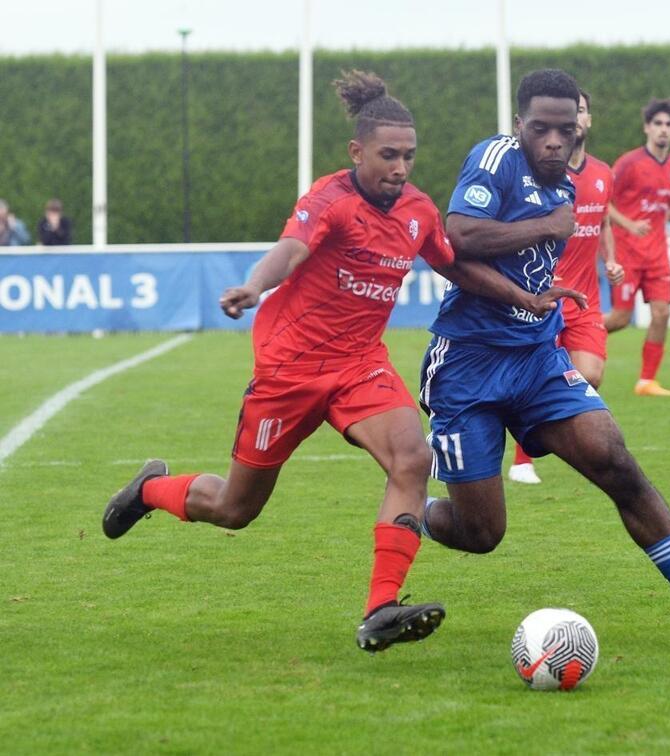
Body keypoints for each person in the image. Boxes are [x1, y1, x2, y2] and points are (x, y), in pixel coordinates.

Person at [101, 70, 583, 653]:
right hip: (290, 370)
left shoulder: (418, 210)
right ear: (357, 152)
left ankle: (381, 607)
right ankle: (152, 490)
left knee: (412, 456)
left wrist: (526, 298)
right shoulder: (328, 200)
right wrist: (255, 286)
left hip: (360, 367)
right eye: (387, 156)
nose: (400, 167)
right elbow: (291, 250)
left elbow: (456, 264)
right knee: (234, 508)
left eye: (408, 156)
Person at [420, 68, 670, 647]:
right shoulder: (496, 159)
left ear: (580, 124)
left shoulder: (569, 187)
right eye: (539, 129)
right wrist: (541, 237)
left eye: (564, 129)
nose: (553, 141)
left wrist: (538, 293)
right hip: (467, 366)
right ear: (518, 125)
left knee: (616, 461)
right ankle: (413, 509)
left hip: (535, 358)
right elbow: (458, 238)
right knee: (481, 532)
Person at [509, 88, 624, 485]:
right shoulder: (542, 174)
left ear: (587, 121)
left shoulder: (604, 173)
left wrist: (610, 258)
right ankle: (523, 461)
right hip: (546, 297)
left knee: (589, 374)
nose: (576, 118)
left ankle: (539, 437)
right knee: (542, 378)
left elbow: (604, 221)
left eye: (581, 111)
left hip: (587, 298)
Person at [603, 97, 670, 397]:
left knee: (662, 313)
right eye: (657, 123)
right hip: (627, 253)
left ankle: (646, 380)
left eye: (669, 125)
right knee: (619, 319)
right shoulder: (629, 163)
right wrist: (629, 225)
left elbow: (668, 204)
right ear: (647, 128)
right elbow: (602, 202)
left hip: (657, 254)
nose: (663, 130)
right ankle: (571, 335)